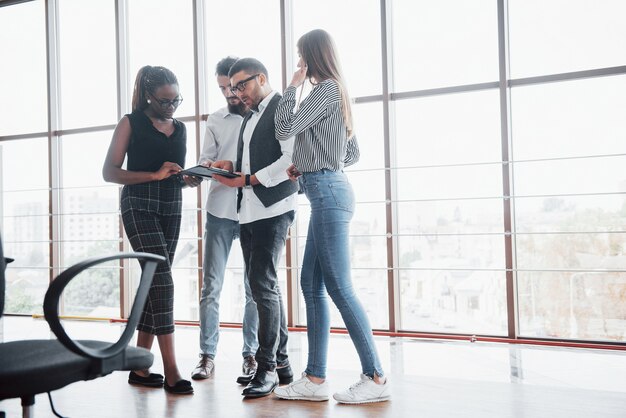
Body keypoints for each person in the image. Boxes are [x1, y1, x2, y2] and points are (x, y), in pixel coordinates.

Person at [273, 29, 391, 404]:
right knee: (311, 284)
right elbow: (351, 154)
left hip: (327, 192)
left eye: (300, 57)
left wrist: (291, 87)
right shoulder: (339, 93)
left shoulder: (323, 90)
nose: (298, 64)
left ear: (310, 55)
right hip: (328, 188)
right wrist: (308, 164)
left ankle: (375, 377)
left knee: (338, 287)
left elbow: (284, 128)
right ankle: (315, 378)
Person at [103, 65, 200, 395]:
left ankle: (141, 367)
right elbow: (110, 172)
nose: (172, 107)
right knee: (163, 280)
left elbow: (173, 174)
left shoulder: (181, 128)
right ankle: (171, 370)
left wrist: (187, 179)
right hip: (138, 203)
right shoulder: (130, 122)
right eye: (165, 101)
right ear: (148, 95)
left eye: (176, 100)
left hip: (171, 204)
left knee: (151, 283)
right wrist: (154, 175)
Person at [211, 57, 296, 398]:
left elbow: (290, 158)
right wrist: (230, 166)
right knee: (267, 286)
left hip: (273, 207)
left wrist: (248, 179)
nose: (237, 93)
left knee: (262, 286)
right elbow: (250, 160)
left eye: (242, 85)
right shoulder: (249, 117)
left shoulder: (281, 107)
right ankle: (283, 363)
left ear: (261, 78)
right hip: (248, 210)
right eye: (232, 88)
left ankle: (267, 368)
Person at [191, 56, 259, 382]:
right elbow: (206, 159)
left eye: (231, 87)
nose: (228, 94)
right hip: (219, 210)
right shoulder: (215, 120)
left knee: (253, 289)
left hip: (251, 212)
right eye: (222, 88)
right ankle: (207, 356)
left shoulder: (261, 116)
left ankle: (251, 355)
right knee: (211, 288)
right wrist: (206, 169)